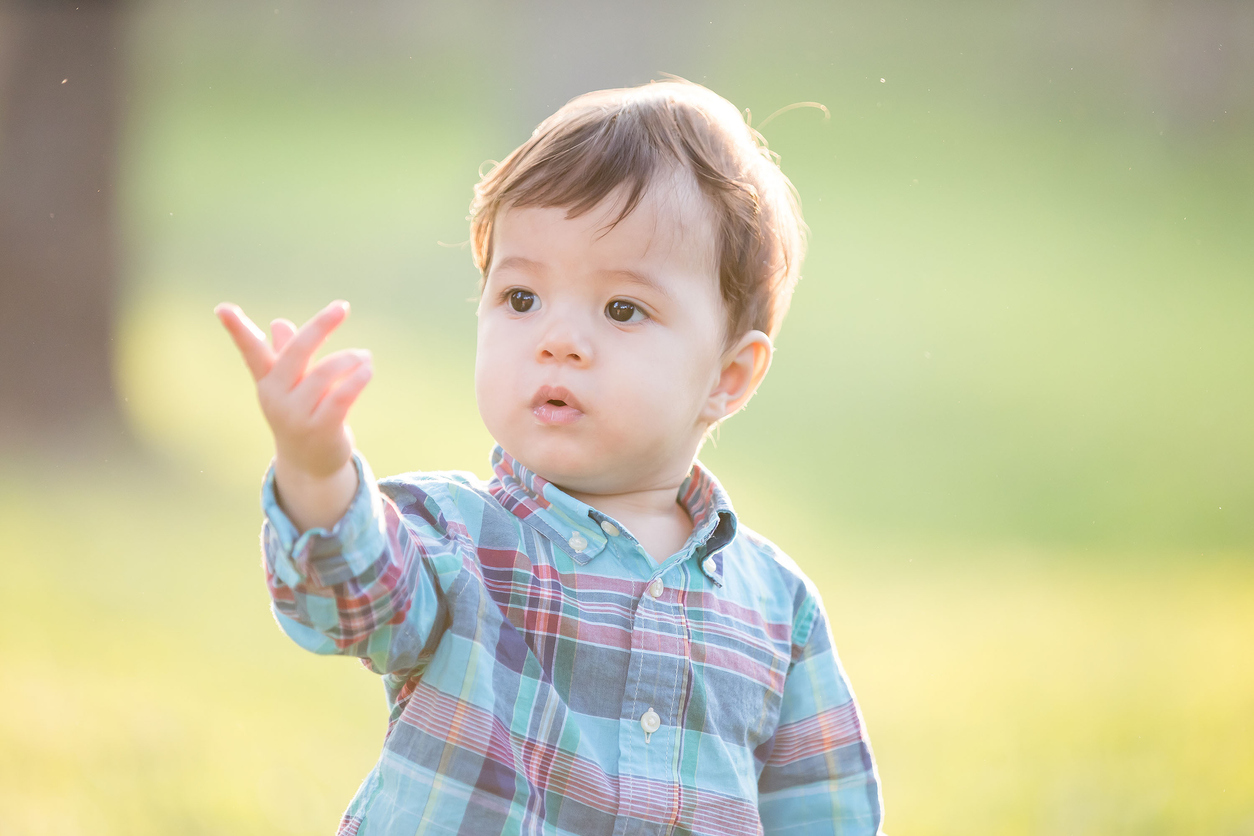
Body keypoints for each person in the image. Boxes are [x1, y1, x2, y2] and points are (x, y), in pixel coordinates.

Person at [216, 78, 883, 835]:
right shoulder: (455, 536)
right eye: (522, 298)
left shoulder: (777, 611)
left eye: (622, 308)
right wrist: (315, 469)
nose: (556, 338)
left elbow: (823, 813)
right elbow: (351, 600)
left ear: (727, 377)